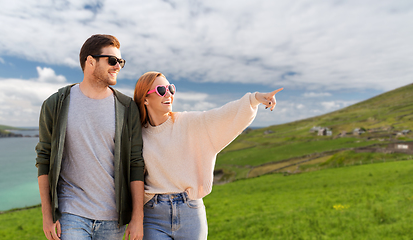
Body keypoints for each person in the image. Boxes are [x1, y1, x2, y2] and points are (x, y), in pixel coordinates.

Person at [133, 71, 283, 239]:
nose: (168, 94)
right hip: (153, 216)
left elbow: (220, 116)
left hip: (190, 213)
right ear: (145, 99)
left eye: (171, 89)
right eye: (161, 90)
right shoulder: (137, 134)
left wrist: (254, 98)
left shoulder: (188, 123)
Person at [35, 34, 145, 240]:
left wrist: (137, 217)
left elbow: (135, 163)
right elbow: (44, 159)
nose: (118, 66)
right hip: (71, 212)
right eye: (112, 60)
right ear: (90, 61)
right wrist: (46, 215)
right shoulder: (55, 104)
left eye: (121, 61)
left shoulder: (127, 108)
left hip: (113, 218)